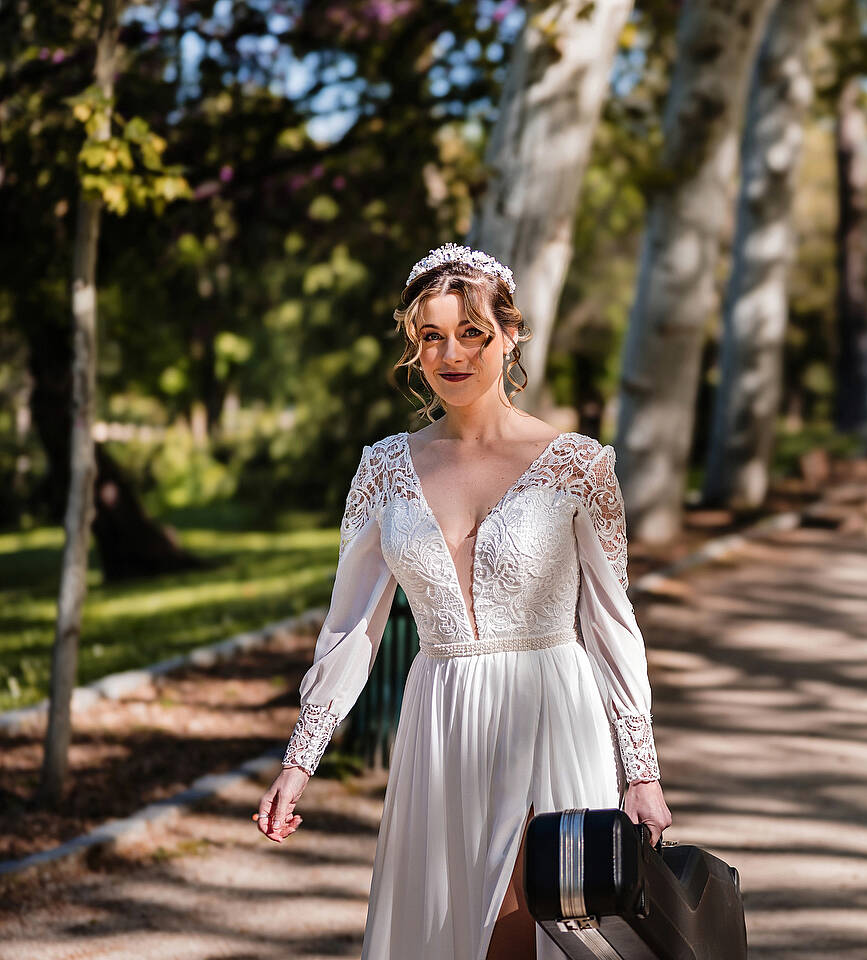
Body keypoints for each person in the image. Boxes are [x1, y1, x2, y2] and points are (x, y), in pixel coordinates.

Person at [254, 243, 672, 960]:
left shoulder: (581, 463)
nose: (452, 354)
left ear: (510, 336)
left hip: (548, 710)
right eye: (431, 336)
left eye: (472, 332)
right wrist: (300, 762)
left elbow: (610, 625)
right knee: (454, 934)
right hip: (440, 720)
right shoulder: (384, 467)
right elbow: (353, 625)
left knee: (526, 920)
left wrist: (641, 772)